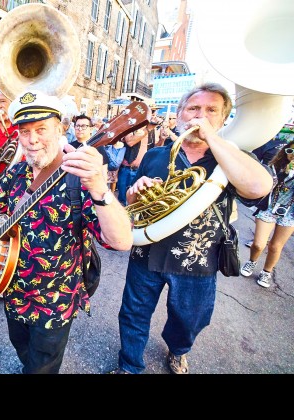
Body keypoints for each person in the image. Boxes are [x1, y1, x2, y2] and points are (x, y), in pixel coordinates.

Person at [0, 89, 133, 374]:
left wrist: (100, 189)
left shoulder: (79, 179)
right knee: (22, 348)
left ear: (60, 128)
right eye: (25, 131)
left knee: (42, 366)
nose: (32, 139)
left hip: (53, 302)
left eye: (41, 129)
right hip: (11, 288)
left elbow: (122, 241)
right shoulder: (18, 173)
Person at [110, 83, 273, 375]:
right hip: (146, 254)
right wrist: (136, 192)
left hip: (197, 259)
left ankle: (178, 350)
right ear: (181, 113)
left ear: (224, 120)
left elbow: (259, 187)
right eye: (194, 108)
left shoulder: (231, 157)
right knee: (134, 314)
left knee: (189, 319)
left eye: (211, 111)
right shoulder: (156, 155)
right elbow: (133, 206)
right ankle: (129, 365)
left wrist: (212, 138)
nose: (201, 116)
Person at [240, 141, 294, 288]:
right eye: (291, 150)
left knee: (276, 247)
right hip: (269, 208)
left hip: (289, 213)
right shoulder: (275, 166)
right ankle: (251, 261)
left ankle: (266, 272)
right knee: (258, 244)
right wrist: (283, 173)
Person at [69, 114, 108, 181]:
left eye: (83, 126)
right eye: (77, 126)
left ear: (91, 129)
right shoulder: (70, 146)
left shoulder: (98, 146)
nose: (80, 129)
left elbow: (103, 171)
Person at [116, 126, 148, 205]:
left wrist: (162, 138)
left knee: (135, 198)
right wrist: (147, 129)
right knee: (122, 198)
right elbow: (130, 142)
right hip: (126, 168)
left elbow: (155, 145)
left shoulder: (151, 130)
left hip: (140, 170)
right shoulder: (130, 127)